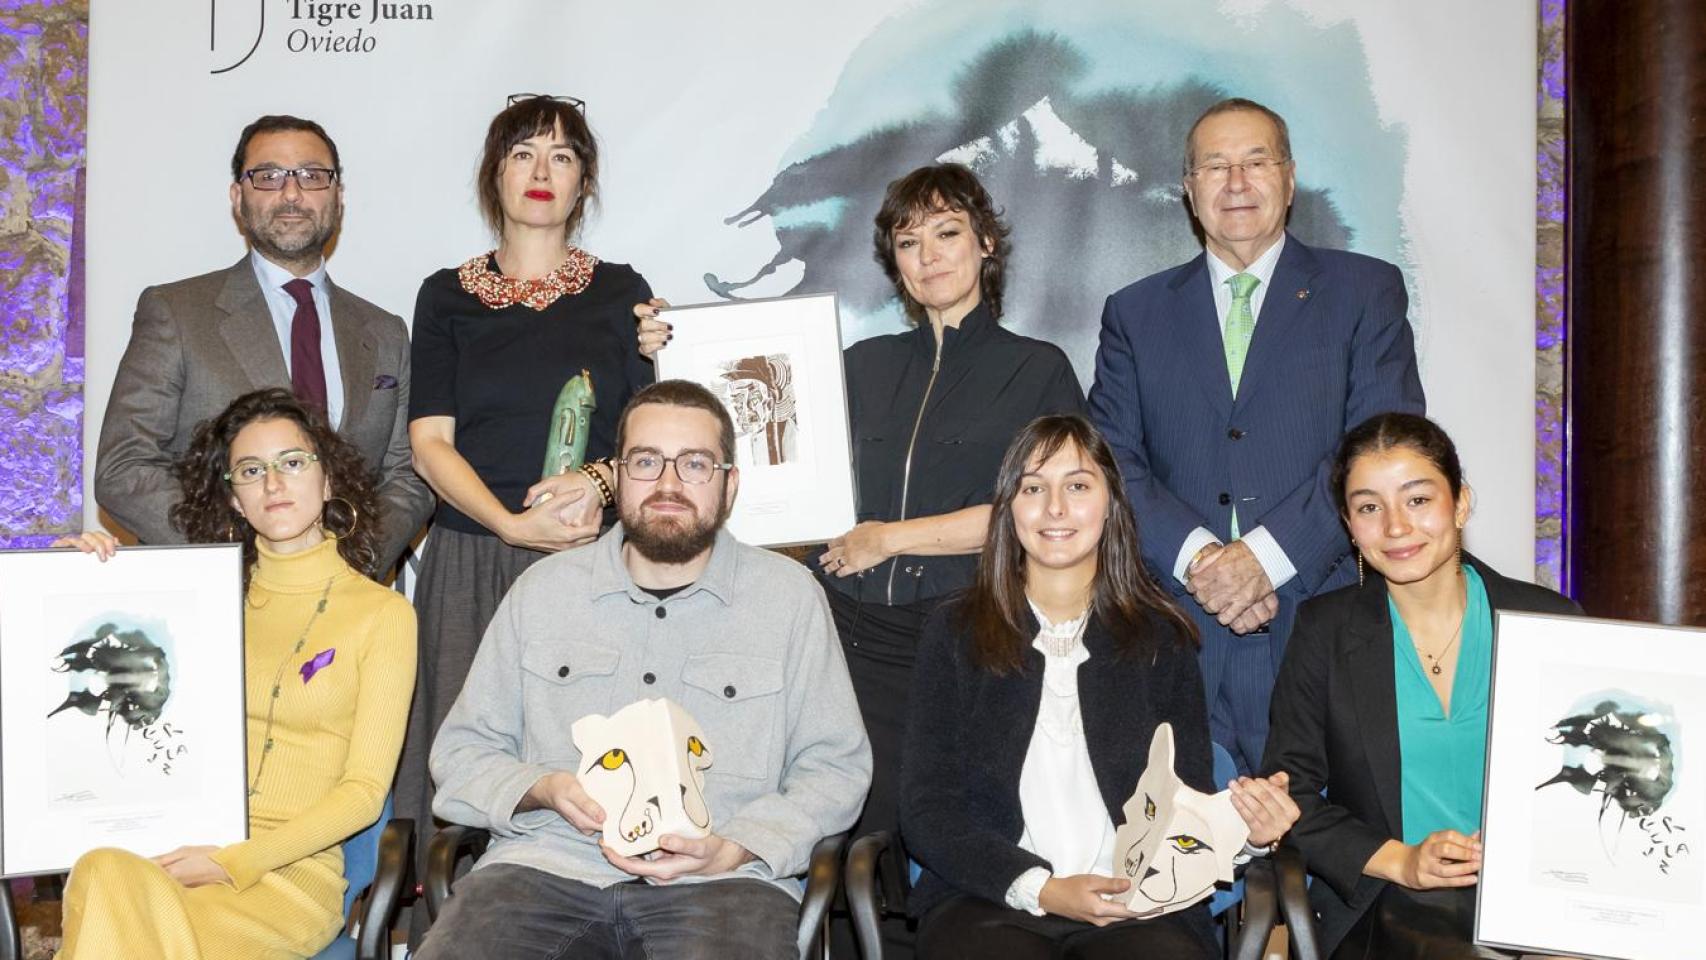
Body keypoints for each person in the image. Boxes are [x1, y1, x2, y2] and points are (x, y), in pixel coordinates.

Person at [639, 163, 1084, 859]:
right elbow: (761, 458)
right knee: (843, 844)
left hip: (966, 635)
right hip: (843, 636)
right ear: (893, 262)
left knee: (949, 841)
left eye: (947, 233)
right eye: (909, 243)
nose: (929, 256)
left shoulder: (1039, 369)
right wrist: (677, 359)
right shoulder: (857, 364)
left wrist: (888, 539)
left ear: (986, 244)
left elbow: (1042, 516)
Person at [413, 379, 870, 959]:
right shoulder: (543, 591)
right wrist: (540, 789)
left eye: (695, 464)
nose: (669, 484)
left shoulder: (788, 598)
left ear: (729, 485)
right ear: (618, 477)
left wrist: (739, 845)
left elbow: (835, 767)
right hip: (541, 871)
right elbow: (460, 753)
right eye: (647, 461)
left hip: (722, 885)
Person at [1087, 97, 1425, 776]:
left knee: (1326, 849)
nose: (1236, 182)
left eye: (1256, 161)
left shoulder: (1365, 292)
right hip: (1178, 626)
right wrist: (1206, 562)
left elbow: (1381, 449)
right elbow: (1112, 458)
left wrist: (1264, 559)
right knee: (1182, 860)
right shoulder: (1136, 312)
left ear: (1290, 178)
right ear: (1189, 191)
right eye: (1215, 166)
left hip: (1322, 616)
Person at [901, 414, 1298, 960]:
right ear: (1008, 509)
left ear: (1111, 502)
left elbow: (1187, 799)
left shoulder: (1162, 636)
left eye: (1078, 486)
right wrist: (1040, 888)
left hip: (1140, 904)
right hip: (990, 899)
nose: (1055, 508)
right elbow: (927, 808)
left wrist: (1251, 832)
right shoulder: (954, 632)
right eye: (1033, 488)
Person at [398, 94, 656, 905]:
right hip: (473, 554)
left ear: (584, 182)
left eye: (562, 156)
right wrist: (511, 524)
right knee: (468, 762)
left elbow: (646, 439)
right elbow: (429, 441)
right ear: (493, 175)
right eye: (522, 153)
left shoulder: (624, 293)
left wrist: (599, 482)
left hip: (592, 562)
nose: (542, 172)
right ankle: (460, 922)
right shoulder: (445, 295)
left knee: (598, 753)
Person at [55, 388, 417, 959]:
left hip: (287, 880)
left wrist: (231, 862)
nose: (273, 484)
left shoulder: (383, 615)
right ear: (233, 498)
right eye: (251, 470)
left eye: (292, 462)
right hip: (174, 851)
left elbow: (364, 794)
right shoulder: (199, 602)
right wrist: (79, 584)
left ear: (328, 481)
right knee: (102, 871)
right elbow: (105, 685)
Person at [1262, 413, 1579, 958]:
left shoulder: (1549, 621)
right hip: (1390, 903)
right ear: (1349, 524)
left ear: (1460, 503)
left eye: (1417, 500)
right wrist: (1402, 861)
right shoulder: (1324, 631)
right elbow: (1293, 795)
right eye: (1368, 507)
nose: (1395, 527)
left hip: (1542, 895)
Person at [94, 114, 433, 574]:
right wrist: (243, 560)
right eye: (269, 176)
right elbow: (125, 466)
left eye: (313, 176)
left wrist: (348, 564)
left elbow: (406, 478)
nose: (291, 193)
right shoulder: (176, 312)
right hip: (215, 595)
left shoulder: (384, 331)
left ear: (338, 196)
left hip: (349, 607)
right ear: (238, 197)